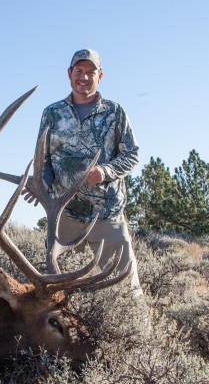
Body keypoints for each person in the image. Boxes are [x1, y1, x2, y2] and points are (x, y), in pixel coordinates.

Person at [26, 48, 143, 297]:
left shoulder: (115, 112)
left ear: (100, 76)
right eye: (79, 71)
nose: (84, 77)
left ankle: (140, 334)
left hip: (107, 215)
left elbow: (132, 155)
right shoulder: (52, 113)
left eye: (91, 72)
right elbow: (43, 160)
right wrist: (41, 183)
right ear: (69, 74)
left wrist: (106, 170)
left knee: (126, 290)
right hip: (65, 216)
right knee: (62, 291)